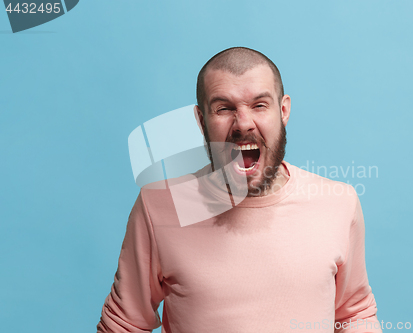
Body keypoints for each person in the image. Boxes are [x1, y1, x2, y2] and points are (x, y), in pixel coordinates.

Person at [97, 47, 383, 333]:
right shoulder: (158, 206)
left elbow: (354, 314)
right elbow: (124, 324)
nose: (243, 124)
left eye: (259, 105)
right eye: (224, 108)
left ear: (283, 111)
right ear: (201, 121)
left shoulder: (337, 203)